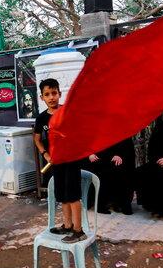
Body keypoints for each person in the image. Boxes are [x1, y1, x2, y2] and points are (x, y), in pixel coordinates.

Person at [33, 78, 85, 243]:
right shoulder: (41, 119)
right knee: (62, 195)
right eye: (47, 94)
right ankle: (67, 225)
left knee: (73, 195)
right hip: (56, 162)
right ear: (42, 97)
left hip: (71, 160)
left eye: (54, 93)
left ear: (59, 94)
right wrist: (45, 155)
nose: (51, 97)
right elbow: (37, 139)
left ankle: (78, 230)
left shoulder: (67, 112)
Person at [86, 138, 135, 215]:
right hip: (99, 157)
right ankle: (102, 204)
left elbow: (127, 147)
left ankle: (121, 204)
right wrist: (90, 154)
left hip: (119, 157)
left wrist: (119, 155)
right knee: (103, 169)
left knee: (119, 169)